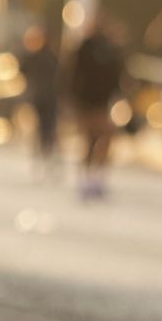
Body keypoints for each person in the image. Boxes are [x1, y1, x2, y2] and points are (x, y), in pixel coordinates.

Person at [66, 16, 125, 200]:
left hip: (99, 103)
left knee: (102, 139)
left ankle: (94, 178)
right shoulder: (85, 48)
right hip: (87, 103)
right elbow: (73, 76)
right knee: (90, 141)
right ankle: (88, 179)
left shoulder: (108, 49)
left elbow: (116, 75)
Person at [18, 24, 61, 179]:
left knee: (47, 130)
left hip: (47, 99)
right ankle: (39, 160)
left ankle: (46, 159)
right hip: (38, 99)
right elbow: (22, 68)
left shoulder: (51, 56)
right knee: (38, 131)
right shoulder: (35, 56)